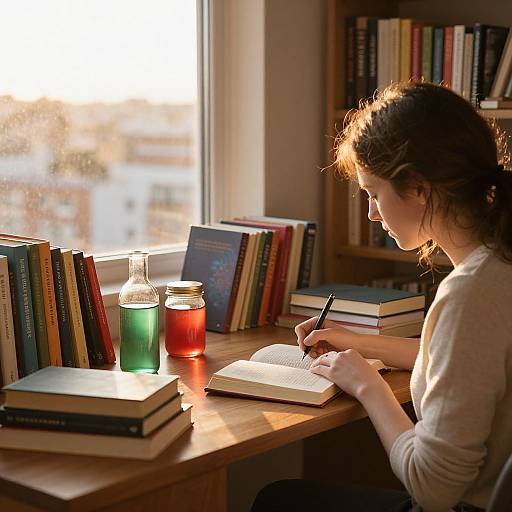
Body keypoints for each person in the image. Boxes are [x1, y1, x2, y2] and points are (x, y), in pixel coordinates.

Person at [251, 82, 512, 512]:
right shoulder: (499, 264)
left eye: (375, 193)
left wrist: (369, 387)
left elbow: (433, 488)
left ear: (419, 188)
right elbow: (468, 364)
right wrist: (361, 344)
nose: (372, 213)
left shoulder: (471, 293)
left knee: (278, 500)